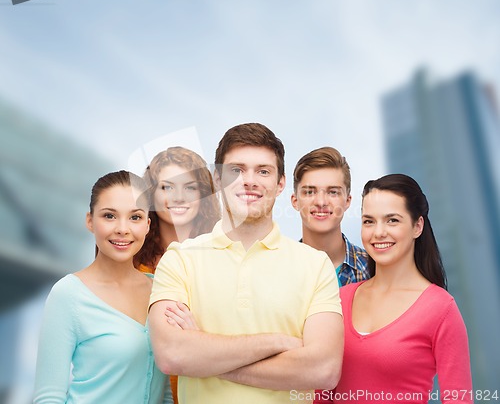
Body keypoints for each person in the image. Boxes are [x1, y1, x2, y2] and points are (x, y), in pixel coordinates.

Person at [149, 123, 344, 404]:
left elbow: (323, 370)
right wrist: (276, 343)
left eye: (263, 171)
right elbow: (172, 355)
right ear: (217, 180)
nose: (249, 180)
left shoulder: (315, 265)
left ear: (280, 184)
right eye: (236, 170)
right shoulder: (180, 259)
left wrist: (206, 356)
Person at [314, 174, 473, 404]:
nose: (378, 232)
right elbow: (321, 395)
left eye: (392, 220)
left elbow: (458, 399)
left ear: (417, 226)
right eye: (369, 221)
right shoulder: (340, 298)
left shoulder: (441, 309)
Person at [33, 171, 173, 404]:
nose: (122, 228)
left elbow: (165, 390)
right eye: (109, 216)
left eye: (135, 217)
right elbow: (48, 397)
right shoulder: (68, 295)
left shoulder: (160, 290)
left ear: (148, 225)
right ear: (90, 221)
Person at [134, 146, 220, 404]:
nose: (179, 197)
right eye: (167, 187)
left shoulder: (223, 257)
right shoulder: (133, 263)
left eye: (190, 187)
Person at [291, 147, 370, 287]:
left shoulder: (373, 268)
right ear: (295, 201)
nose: (321, 202)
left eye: (333, 192)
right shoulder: (279, 269)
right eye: (310, 192)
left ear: (347, 201)